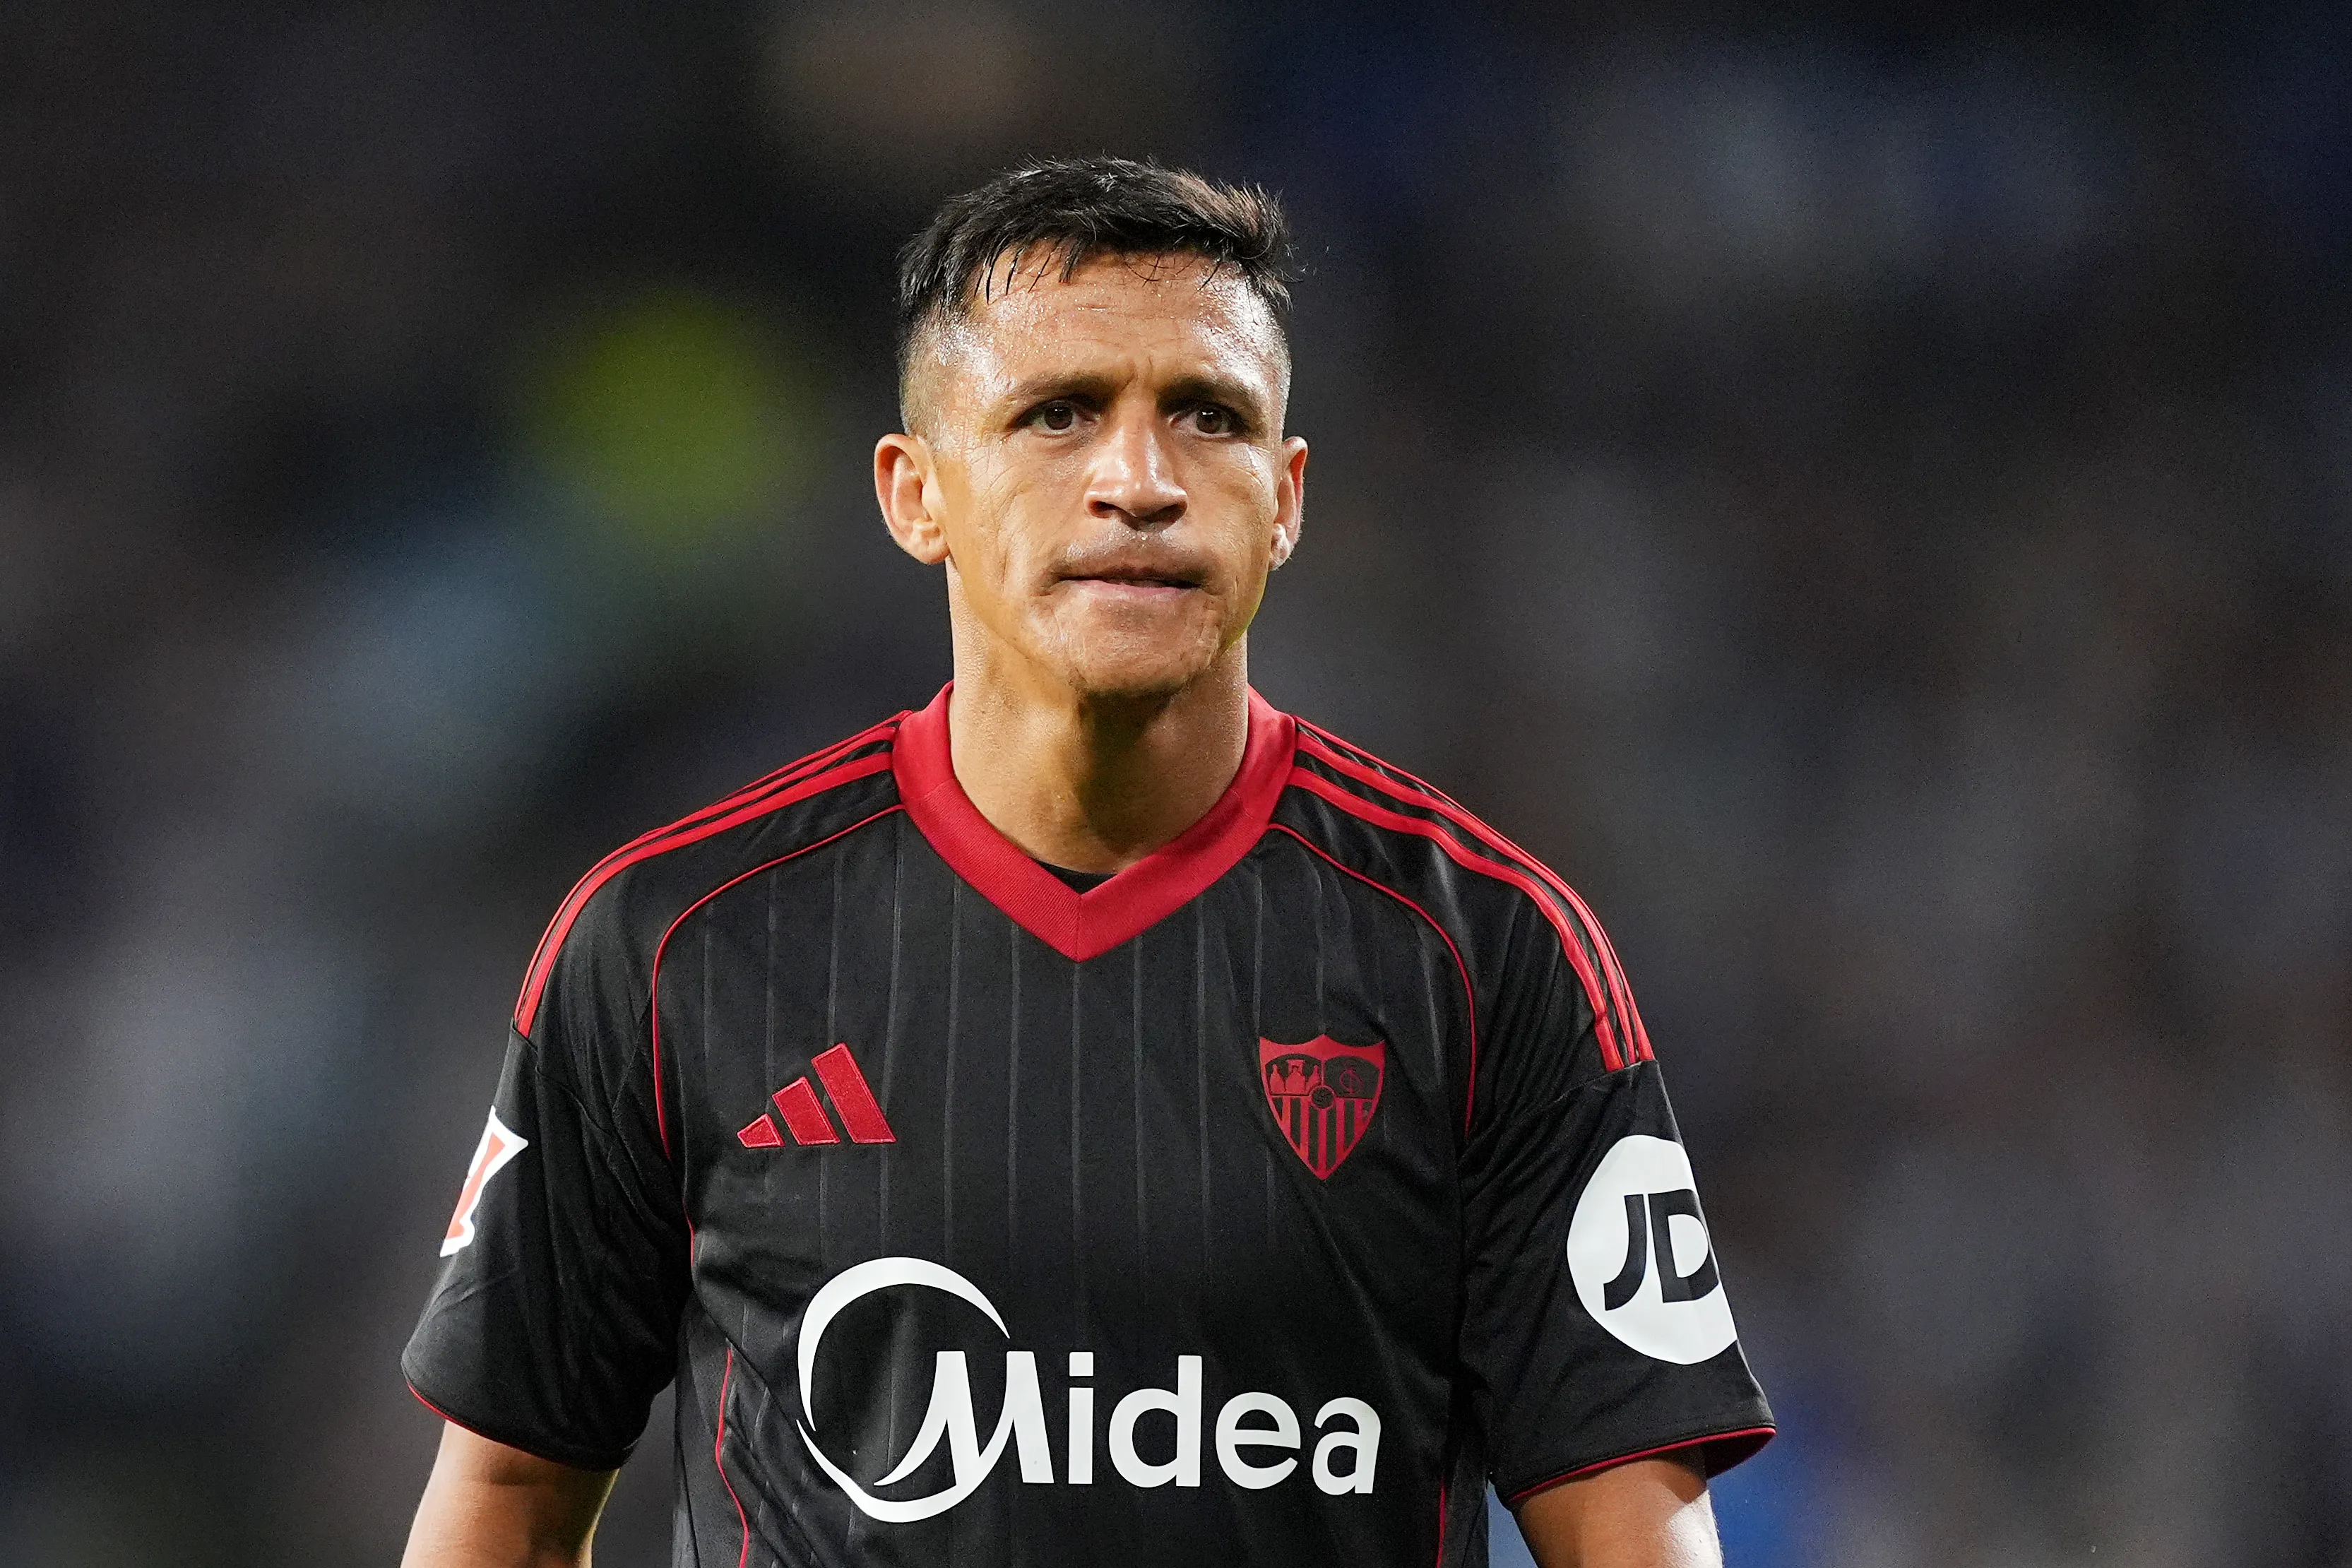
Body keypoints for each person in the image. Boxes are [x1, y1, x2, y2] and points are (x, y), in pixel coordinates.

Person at [400, 156, 1772, 1568]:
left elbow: (1632, 1528)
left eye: (1208, 417)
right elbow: (506, 1497)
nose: (1140, 480)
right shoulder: (672, 945)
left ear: (1286, 497)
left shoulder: (1488, 957)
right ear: (915, 492)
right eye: (1058, 415)